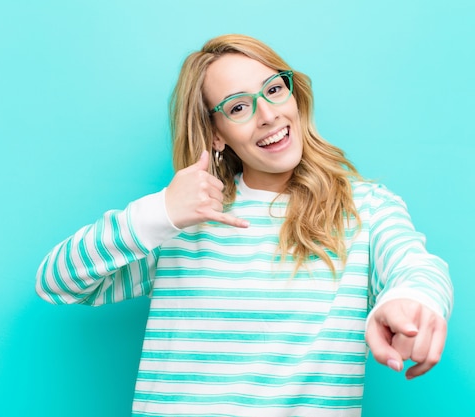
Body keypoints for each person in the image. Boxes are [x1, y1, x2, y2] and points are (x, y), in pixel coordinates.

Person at [36, 34, 453, 416]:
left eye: (273, 90)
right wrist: (160, 212)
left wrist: (412, 300)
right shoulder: (183, 220)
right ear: (216, 134)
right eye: (238, 107)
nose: (268, 115)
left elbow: (416, 266)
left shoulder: (365, 208)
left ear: (294, 96)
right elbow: (59, 282)